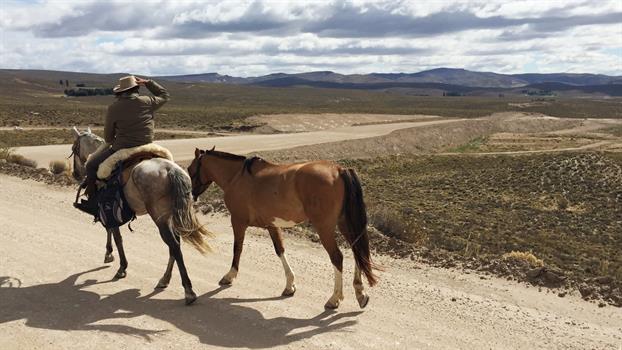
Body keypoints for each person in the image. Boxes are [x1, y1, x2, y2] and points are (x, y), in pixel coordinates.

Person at [74, 75, 170, 215]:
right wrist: (148, 83)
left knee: (91, 165)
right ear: (136, 88)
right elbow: (165, 95)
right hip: (148, 146)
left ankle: (93, 202)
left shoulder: (114, 108)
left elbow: (108, 137)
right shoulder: (148, 101)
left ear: (120, 92)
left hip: (122, 148)